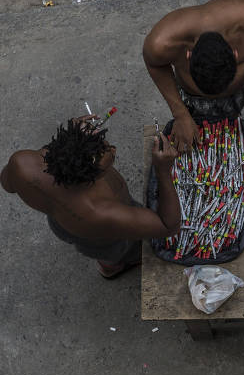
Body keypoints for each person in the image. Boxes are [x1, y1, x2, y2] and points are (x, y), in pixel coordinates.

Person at [0, 115, 181, 278]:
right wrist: (162, 170)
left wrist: (73, 138)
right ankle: (112, 267)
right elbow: (168, 226)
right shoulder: (99, 212)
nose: (113, 149)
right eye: (108, 153)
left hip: (60, 224)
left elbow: (7, 185)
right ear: (89, 179)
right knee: (121, 251)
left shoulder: (22, 163)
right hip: (104, 240)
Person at [143, 0, 244, 153]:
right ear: (188, 55)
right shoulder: (162, 43)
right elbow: (153, 64)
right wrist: (180, 114)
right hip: (198, 100)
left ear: (235, 53)